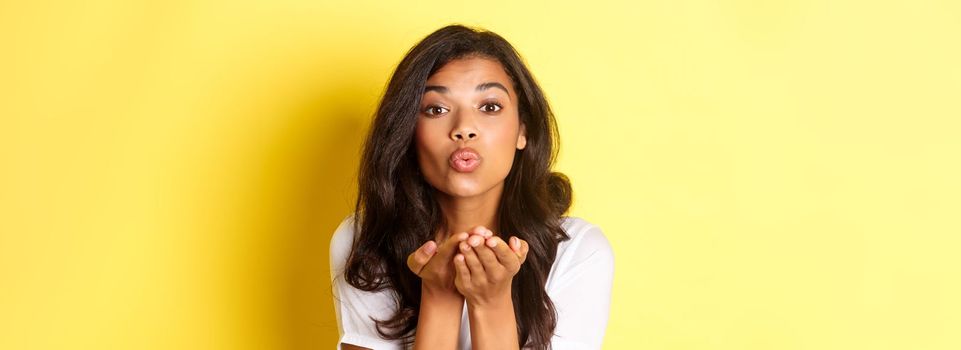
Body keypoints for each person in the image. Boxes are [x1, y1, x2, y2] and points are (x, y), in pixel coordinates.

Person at [329, 24, 614, 350]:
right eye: (437, 109)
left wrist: (492, 304)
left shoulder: (578, 252)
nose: (464, 128)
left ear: (523, 130)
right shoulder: (365, 242)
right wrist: (439, 298)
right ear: (408, 133)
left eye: (489, 107)